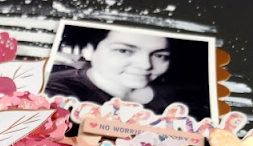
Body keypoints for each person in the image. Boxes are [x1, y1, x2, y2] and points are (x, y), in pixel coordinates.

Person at [45, 28, 175, 114]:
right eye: (123, 51)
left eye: (160, 55)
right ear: (89, 51)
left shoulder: (175, 94)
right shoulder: (55, 94)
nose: (146, 65)